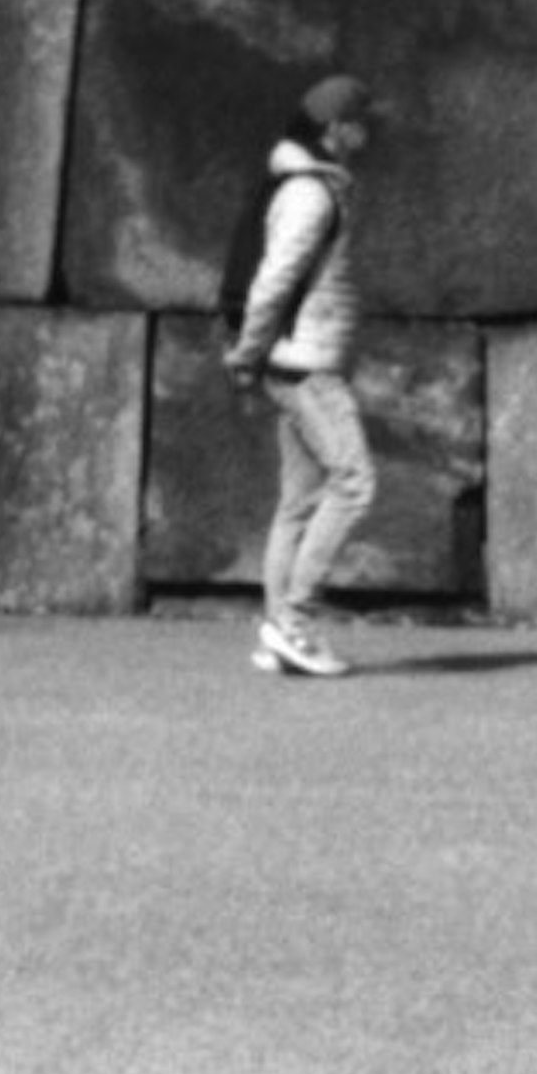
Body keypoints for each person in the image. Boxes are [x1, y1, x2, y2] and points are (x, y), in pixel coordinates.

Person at [226, 70, 379, 679]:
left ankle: (276, 630)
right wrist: (247, 352)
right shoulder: (311, 195)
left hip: (295, 360)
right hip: (305, 366)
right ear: (334, 129)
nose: (367, 133)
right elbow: (274, 280)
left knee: (299, 500)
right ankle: (293, 622)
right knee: (355, 483)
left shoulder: (314, 187)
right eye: (359, 122)